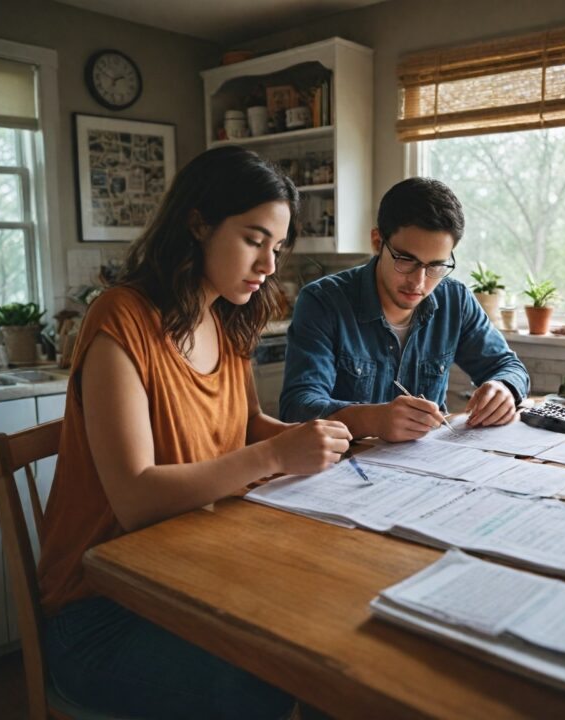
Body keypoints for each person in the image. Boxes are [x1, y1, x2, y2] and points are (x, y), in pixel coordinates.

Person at [37, 146, 352, 719]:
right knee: (274, 685)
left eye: (276, 248)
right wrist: (276, 453)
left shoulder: (225, 314)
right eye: (254, 240)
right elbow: (135, 498)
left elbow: (244, 424)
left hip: (191, 573)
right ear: (198, 222)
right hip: (102, 609)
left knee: (327, 644)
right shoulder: (120, 318)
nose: (269, 266)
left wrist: (321, 436)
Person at [280, 177, 530, 441]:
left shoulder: (455, 300)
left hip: (431, 465)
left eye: (436, 266)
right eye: (406, 260)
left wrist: (504, 387)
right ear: (377, 242)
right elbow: (297, 408)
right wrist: (372, 420)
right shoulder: (323, 302)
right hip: (347, 467)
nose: (419, 282)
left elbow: (508, 366)